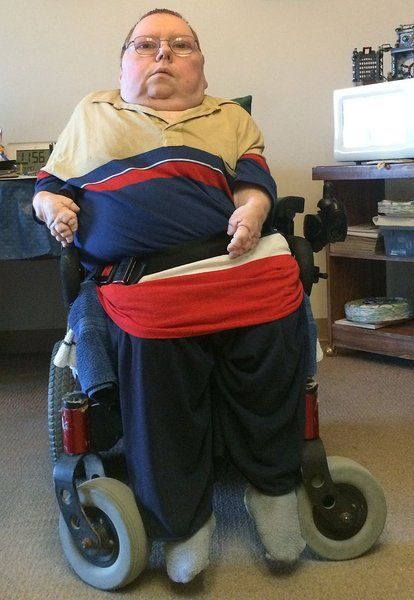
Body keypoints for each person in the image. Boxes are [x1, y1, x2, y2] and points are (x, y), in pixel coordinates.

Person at [33, 9, 309, 584]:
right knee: (159, 358)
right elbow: (47, 187)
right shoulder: (93, 112)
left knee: (276, 322)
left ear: (202, 68)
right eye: (146, 44)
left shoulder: (230, 117)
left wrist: (253, 212)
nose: (163, 53)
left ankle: (273, 488)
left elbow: (255, 184)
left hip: (229, 260)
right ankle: (184, 521)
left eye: (180, 45)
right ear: (122, 65)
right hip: (142, 277)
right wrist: (53, 206)